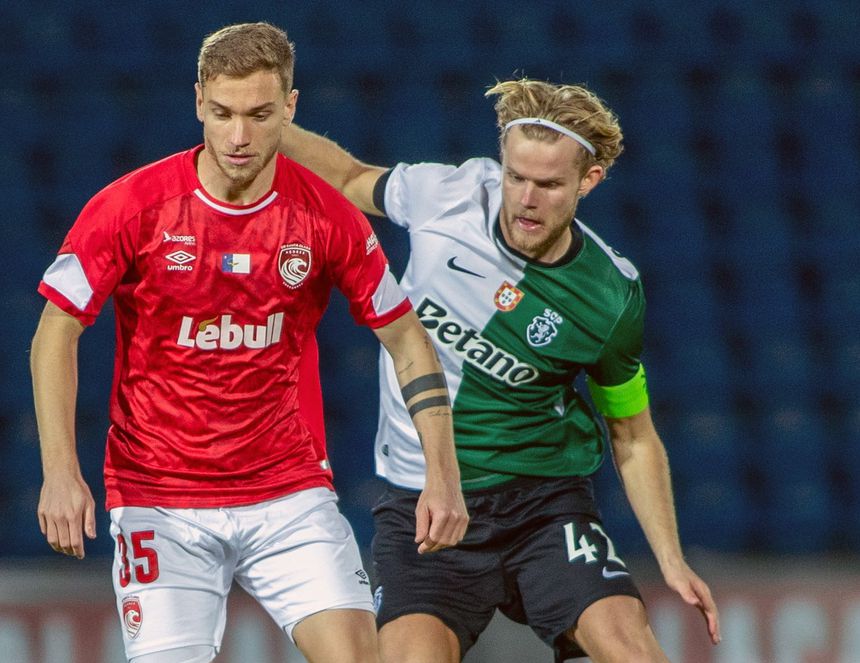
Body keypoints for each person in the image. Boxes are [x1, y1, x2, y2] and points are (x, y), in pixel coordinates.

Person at [31, 22, 467, 663]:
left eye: (261, 115)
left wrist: (444, 475)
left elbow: (407, 339)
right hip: (160, 496)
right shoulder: (133, 206)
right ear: (198, 100)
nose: (239, 137)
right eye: (223, 113)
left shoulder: (325, 216)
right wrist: (59, 474)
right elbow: (55, 333)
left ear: (290, 108)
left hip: (288, 494)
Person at [278, 77, 721, 662]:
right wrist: (264, 126)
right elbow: (347, 176)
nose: (525, 199)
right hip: (424, 507)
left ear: (589, 181)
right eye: (515, 177)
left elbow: (632, 433)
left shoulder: (611, 297)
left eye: (548, 184)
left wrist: (670, 558)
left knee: (630, 648)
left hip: (540, 505)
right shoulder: (450, 194)